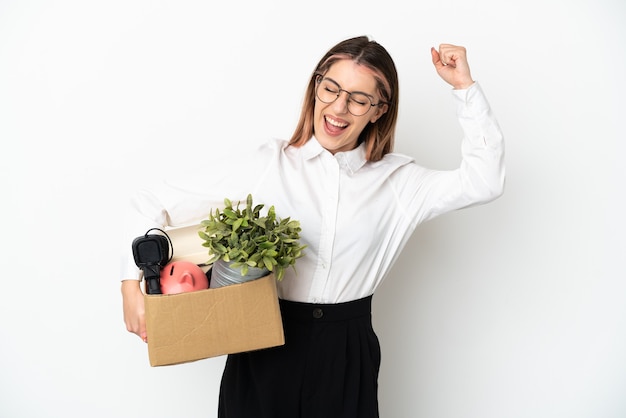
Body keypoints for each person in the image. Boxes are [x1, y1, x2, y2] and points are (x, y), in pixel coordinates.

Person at [120, 35, 505, 418]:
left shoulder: (401, 182)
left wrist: (465, 90)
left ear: (379, 110)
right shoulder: (268, 165)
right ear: (315, 88)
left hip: (347, 351)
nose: (339, 107)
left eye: (358, 98)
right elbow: (152, 202)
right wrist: (130, 286)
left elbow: (484, 181)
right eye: (331, 88)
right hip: (262, 341)